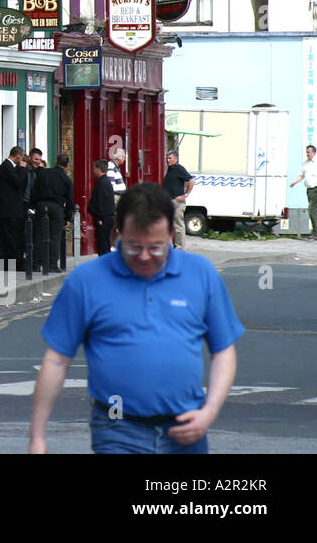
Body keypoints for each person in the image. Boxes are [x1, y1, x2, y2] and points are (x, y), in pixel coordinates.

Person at [29, 184, 244, 454]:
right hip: (117, 428)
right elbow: (57, 360)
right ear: (117, 233)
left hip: (187, 426)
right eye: (133, 247)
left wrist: (210, 411)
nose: (144, 257)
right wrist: (37, 437)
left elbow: (223, 350)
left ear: (171, 235)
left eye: (155, 248)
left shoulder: (201, 273)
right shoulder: (86, 281)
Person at [35, 154, 74, 273]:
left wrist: (33, 205)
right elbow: (70, 200)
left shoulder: (44, 174)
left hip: (42, 205)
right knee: (55, 236)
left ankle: (36, 263)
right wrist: (67, 217)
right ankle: (52, 264)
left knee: (39, 235)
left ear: (55, 161)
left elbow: (34, 189)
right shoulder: (66, 179)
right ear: (67, 166)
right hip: (57, 207)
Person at [0, 147, 28, 272]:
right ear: (18, 156)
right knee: (13, 237)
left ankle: (6, 263)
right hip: (10, 209)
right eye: (22, 157)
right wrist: (22, 169)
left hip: (5, 208)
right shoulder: (7, 167)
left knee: (6, 237)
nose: (22, 160)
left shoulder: (4, 167)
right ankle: (14, 264)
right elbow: (18, 182)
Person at [163, 150, 195, 249]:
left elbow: (191, 180)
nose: (167, 160)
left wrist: (185, 194)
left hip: (177, 202)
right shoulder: (170, 169)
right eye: (167, 158)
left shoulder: (179, 169)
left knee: (178, 226)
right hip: (169, 201)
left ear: (175, 159)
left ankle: (179, 247)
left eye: (170, 158)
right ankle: (171, 246)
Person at [88, 158, 116, 255]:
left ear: (99, 169)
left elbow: (101, 201)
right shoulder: (105, 182)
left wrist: (100, 217)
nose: (93, 171)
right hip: (106, 217)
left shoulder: (102, 183)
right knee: (104, 244)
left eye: (94, 168)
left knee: (103, 245)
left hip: (104, 218)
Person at [289, 144, 317, 232]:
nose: (307, 154)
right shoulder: (306, 163)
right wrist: (295, 182)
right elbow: (302, 175)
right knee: (314, 210)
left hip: (316, 188)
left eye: (308, 152)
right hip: (309, 190)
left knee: (311, 209)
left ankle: (315, 232)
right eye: (306, 152)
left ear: (314, 152)